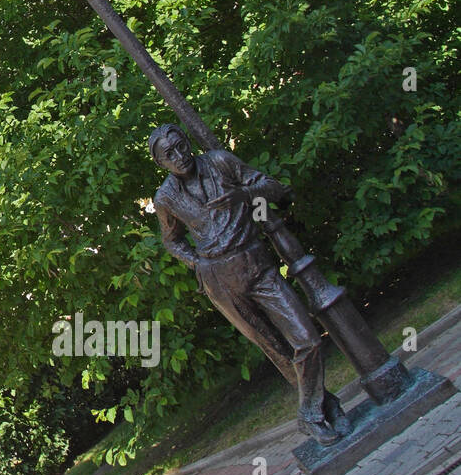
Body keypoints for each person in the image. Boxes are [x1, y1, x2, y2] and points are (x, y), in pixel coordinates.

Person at [149, 124, 350, 445]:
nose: (179, 156)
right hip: (219, 280)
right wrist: (197, 264)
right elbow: (172, 241)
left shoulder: (220, 162)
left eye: (180, 146)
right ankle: (327, 406)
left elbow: (277, 189)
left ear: (188, 142)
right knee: (277, 351)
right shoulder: (165, 198)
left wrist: (244, 194)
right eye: (168, 154)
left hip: (257, 266)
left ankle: (310, 413)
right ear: (161, 163)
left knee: (307, 339)